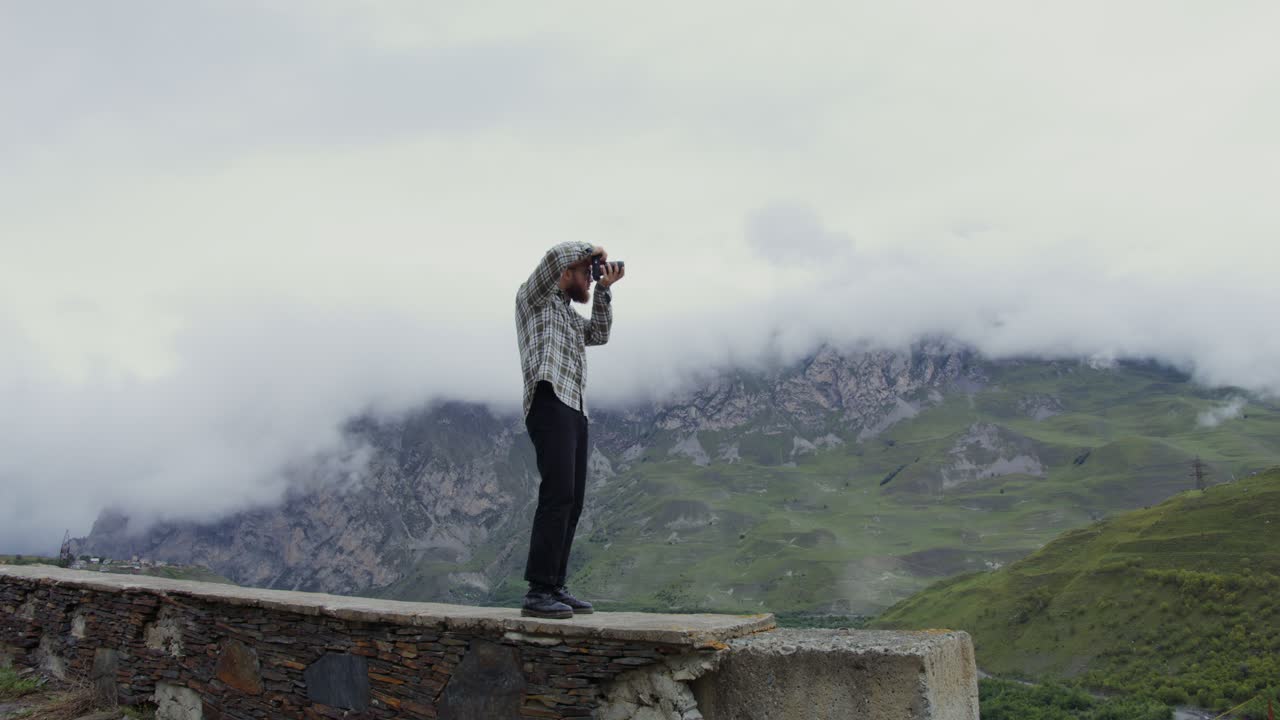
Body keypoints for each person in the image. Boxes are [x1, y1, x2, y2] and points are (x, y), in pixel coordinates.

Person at [514, 242, 625, 619]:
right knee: (557, 494)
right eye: (586, 273)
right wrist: (592, 250)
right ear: (566, 273)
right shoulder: (534, 301)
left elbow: (600, 333)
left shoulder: (570, 318)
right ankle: (538, 590)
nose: (590, 279)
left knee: (572, 499)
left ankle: (555, 584)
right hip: (549, 399)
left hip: (575, 407)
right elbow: (553, 257)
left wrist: (605, 290)